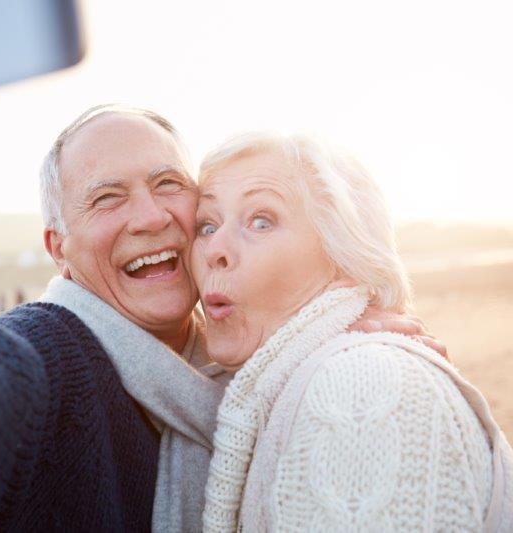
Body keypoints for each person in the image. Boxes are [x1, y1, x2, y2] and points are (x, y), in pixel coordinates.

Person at [0, 105, 444, 532]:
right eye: (107, 198)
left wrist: (321, 338)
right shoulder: (50, 367)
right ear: (58, 250)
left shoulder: (244, 372)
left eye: (168, 185)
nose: (151, 215)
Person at [191, 132, 513, 532]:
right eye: (206, 225)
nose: (213, 249)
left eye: (261, 221)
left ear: (344, 256)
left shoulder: (361, 384)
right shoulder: (259, 393)